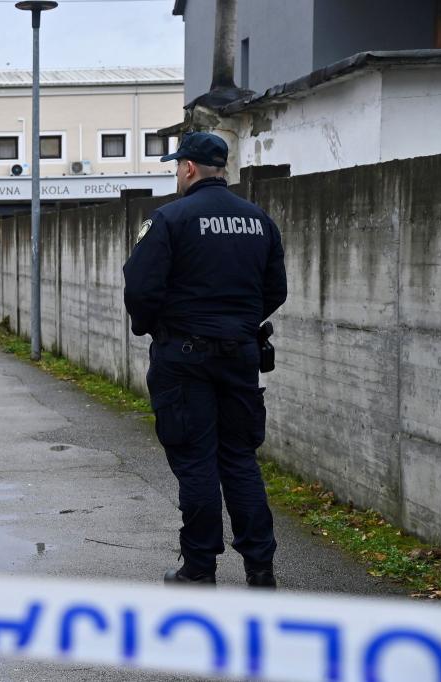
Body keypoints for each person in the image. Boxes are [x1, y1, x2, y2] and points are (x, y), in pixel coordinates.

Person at [122, 132, 287, 588]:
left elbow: (139, 288)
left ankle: (199, 569)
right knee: (239, 459)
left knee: (197, 462)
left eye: (178, 166)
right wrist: (238, 324)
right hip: (241, 356)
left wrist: (153, 327)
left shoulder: (171, 219)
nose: (177, 173)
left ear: (189, 168)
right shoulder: (259, 221)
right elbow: (276, 289)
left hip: (185, 358)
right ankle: (261, 569)